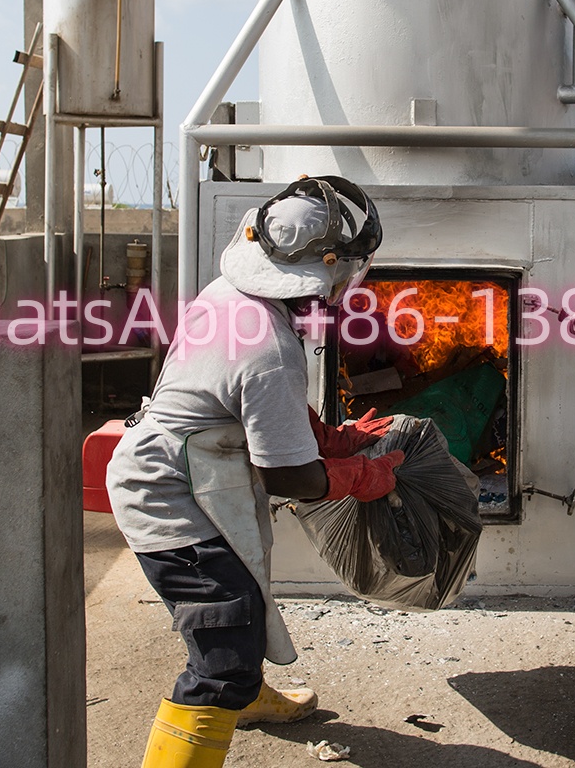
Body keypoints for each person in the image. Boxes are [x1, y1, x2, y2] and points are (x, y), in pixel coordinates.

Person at [107, 175, 403, 768]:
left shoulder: (231, 294)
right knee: (225, 651)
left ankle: (244, 698)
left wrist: (329, 437)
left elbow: (238, 393)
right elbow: (288, 479)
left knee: (238, 602)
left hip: (186, 474)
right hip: (169, 500)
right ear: (332, 272)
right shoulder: (270, 349)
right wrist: (357, 476)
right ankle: (233, 690)